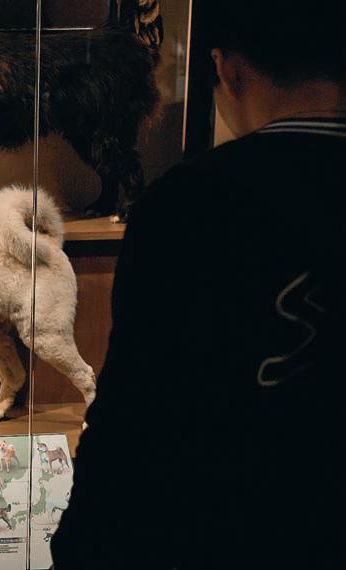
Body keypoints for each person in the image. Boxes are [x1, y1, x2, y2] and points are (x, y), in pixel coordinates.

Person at [51, 1, 346, 568]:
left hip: (226, 530)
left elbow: (134, 419)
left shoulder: (190, 203)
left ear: (228, 70)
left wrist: (80, 549)